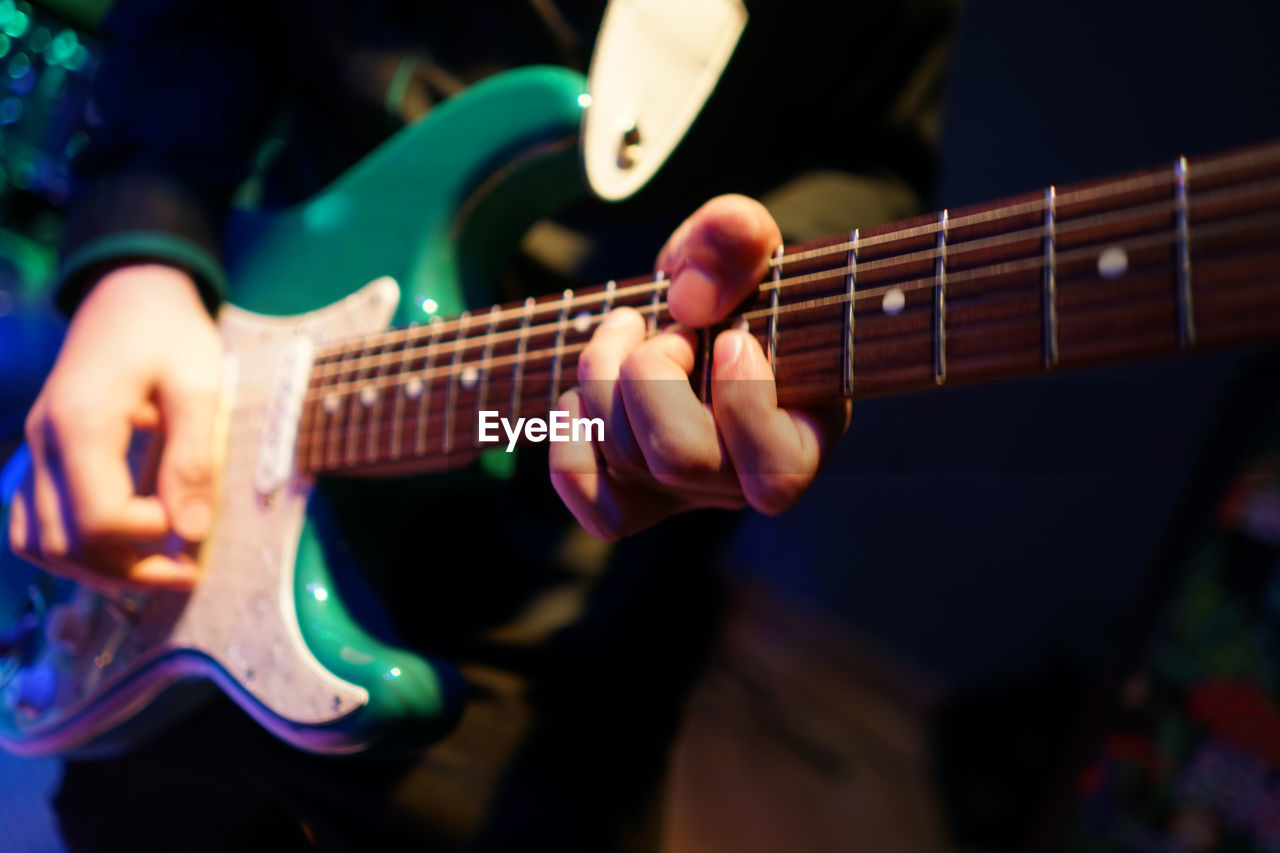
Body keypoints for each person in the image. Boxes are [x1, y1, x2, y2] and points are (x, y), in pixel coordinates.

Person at [8, 1, 955, 850]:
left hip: (573, 516)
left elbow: (873, 152)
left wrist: (754, 285)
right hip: (230, 388)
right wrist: (144, 247)